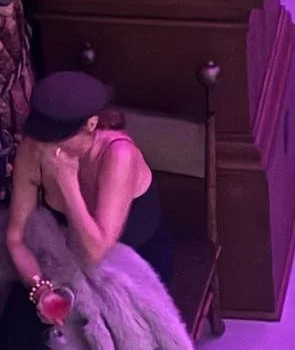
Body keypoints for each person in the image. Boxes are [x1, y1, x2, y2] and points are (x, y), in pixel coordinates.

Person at [3, 71, 177, 350]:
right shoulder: (35, 147)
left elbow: (94, 252)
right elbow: (16, 236)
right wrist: (40, 289)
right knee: (18, 331)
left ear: (91, 125)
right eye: (43, 137)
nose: (47, 148)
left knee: (104, 335)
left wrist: (68, 183)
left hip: (128, 261)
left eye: (57, 139)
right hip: (63, 256)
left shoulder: (118, 155)